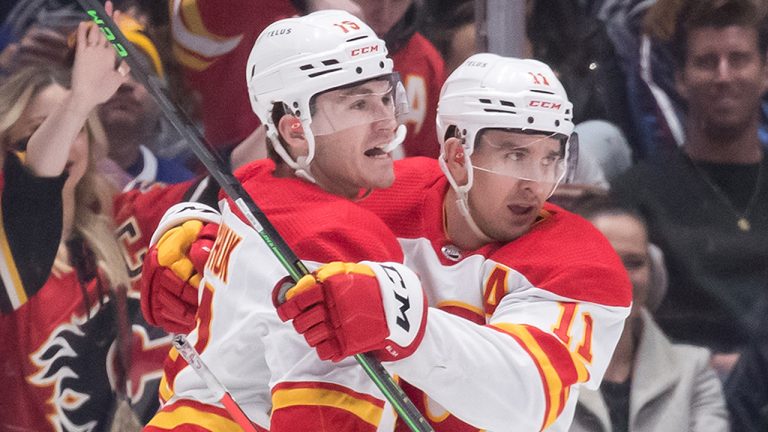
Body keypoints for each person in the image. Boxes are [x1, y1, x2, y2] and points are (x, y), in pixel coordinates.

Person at [143, 49, 631, 431]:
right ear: (456, 155)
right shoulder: (388, 193)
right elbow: (278, 205)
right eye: (515, 155)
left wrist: (405, 323)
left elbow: (529, 396)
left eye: (551, 158)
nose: (536, 183)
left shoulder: (578, 261)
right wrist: (198, 237)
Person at [142, 10, 411, 430]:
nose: (388, 123)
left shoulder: (253, 195)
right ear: (295, 130)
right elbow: (327, 418)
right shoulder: (334, 236)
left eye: (387, 97)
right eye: (359, 104)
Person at [610, 0, 768, 375]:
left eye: (738, 59)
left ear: (765, 73)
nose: (723, 76)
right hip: (678, 386)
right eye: (707, 62)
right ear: (680, 78)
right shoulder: (636, 194)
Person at [569, 194, 730, 432]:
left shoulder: (693, 370)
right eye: (602, 259)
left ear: (653, 272)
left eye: (634, 263)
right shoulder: (526, 368)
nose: (620, 277)